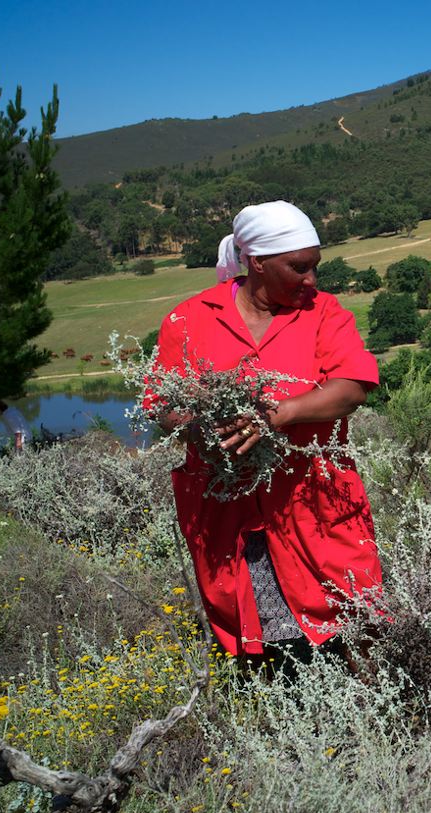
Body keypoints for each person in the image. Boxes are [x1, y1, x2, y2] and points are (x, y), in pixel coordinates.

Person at [150, 201, 382, 669]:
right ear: (256, 261)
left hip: (315, 505)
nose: (312, 281)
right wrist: (202, 428)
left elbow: (353, 387)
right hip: (228, 509)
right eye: (298, 268)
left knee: (352, 627)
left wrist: (279, 415)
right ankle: (279, 728)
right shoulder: (188, 320)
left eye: (315, 267)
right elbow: (163, 405)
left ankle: (361, 724)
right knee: (265, 645)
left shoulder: (324, 314)